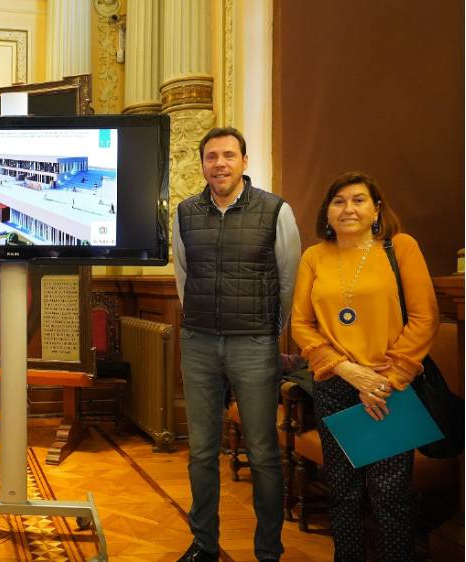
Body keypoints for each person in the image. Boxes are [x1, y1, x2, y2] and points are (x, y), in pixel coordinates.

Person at [290, 171, 439, 560]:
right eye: (338, 201)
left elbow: (425, 317)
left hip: (390, 386)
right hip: (335, 383)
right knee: (343, 491)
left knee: (390, 493)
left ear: (376, 209)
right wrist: (345, 369)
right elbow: (301, 324)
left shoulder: (400, 247)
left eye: (358, 200)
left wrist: (386, 381)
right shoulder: (314, 257)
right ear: (327, 212)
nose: (348, 208)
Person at [173, 127, 301, 562]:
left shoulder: (276, 210)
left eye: (228, 155)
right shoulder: (185, 212)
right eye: (211, 157)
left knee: (263, 452)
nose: (220, 164)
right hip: (199, 344)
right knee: (201, 451)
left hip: (254, 344)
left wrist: (268, 330)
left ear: (245, 161)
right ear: (202, 164)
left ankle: (268, 551)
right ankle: (204, 544)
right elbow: (183, 278)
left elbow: (288, 280)